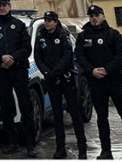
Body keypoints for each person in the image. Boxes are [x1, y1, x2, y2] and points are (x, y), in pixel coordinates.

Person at [75, 5, 122, 160]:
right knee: (102, 118)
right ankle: (106, 151)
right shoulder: (83, 37)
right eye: (91, 16)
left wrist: (107, 69)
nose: (94, 18)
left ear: (103, 16)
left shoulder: (113, 34)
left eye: (97, 15)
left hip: (114, 80)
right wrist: (92, 70)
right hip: (96, 82)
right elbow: (80, 56)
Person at [0, 0, 36, 157]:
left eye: (4, 5)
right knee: (6, 108)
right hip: (2, 71)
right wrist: (1, 57)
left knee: (26, 107)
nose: (2, 8)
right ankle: (12, 143)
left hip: (18, 70)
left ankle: (30, 145)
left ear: (9, 6)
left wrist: (12, 58)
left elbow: (26, 48)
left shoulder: (19, 25)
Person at [35, 11, 87, 160]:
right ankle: (60, 148)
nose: (47, 23)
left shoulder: (63, 36)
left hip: (66, 79)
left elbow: (67, 57)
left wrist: (54, 74)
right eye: (46, 20)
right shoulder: (41, 38)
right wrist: (47, 73)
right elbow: (38, 57)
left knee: (75, 115)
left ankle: (82, 148)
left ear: (56, 22)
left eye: (50, 20)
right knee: (57, 116)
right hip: (52, 81)